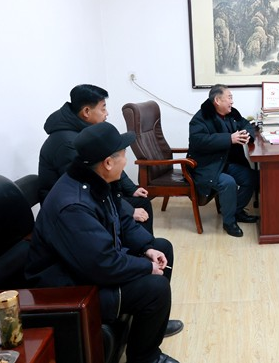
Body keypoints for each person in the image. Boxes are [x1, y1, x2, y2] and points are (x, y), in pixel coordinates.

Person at [26, 122, 181, 363]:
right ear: (108, 162)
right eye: (123, 155)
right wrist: (146, 266)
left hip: (88, 268)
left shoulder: (96, 181)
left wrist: (146, 248)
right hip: (70, 287)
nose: (126, 161)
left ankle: (151, 325)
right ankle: (145, 358)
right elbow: (103, 264)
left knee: (161, 248)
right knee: (155, 289)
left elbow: (122, 220)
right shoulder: (74, 206)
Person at [38, 84, 154, 234]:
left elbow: (112, 160)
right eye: (103, 108)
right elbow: (89, 182)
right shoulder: (68, 143)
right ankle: (136, 247)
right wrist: (129, 210)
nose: (107, 113)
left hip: (88, 194)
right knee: (139, 208)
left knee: (142, 202)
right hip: (68, 209)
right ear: (86, 111)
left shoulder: (87, 131)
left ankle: (144, 245)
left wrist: (131, 189)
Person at [188, 84, 259, 237]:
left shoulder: (231, 113)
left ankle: (236, 211)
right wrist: (229, 138)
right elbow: (199, 141)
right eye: (229, 98)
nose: (232, 101)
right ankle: (229, 222)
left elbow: (246, 124)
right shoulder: (200, 119)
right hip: (207, 166)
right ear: (217, 100)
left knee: (251, 177)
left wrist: (247, 135)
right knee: (228, 183)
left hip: (225, 162)